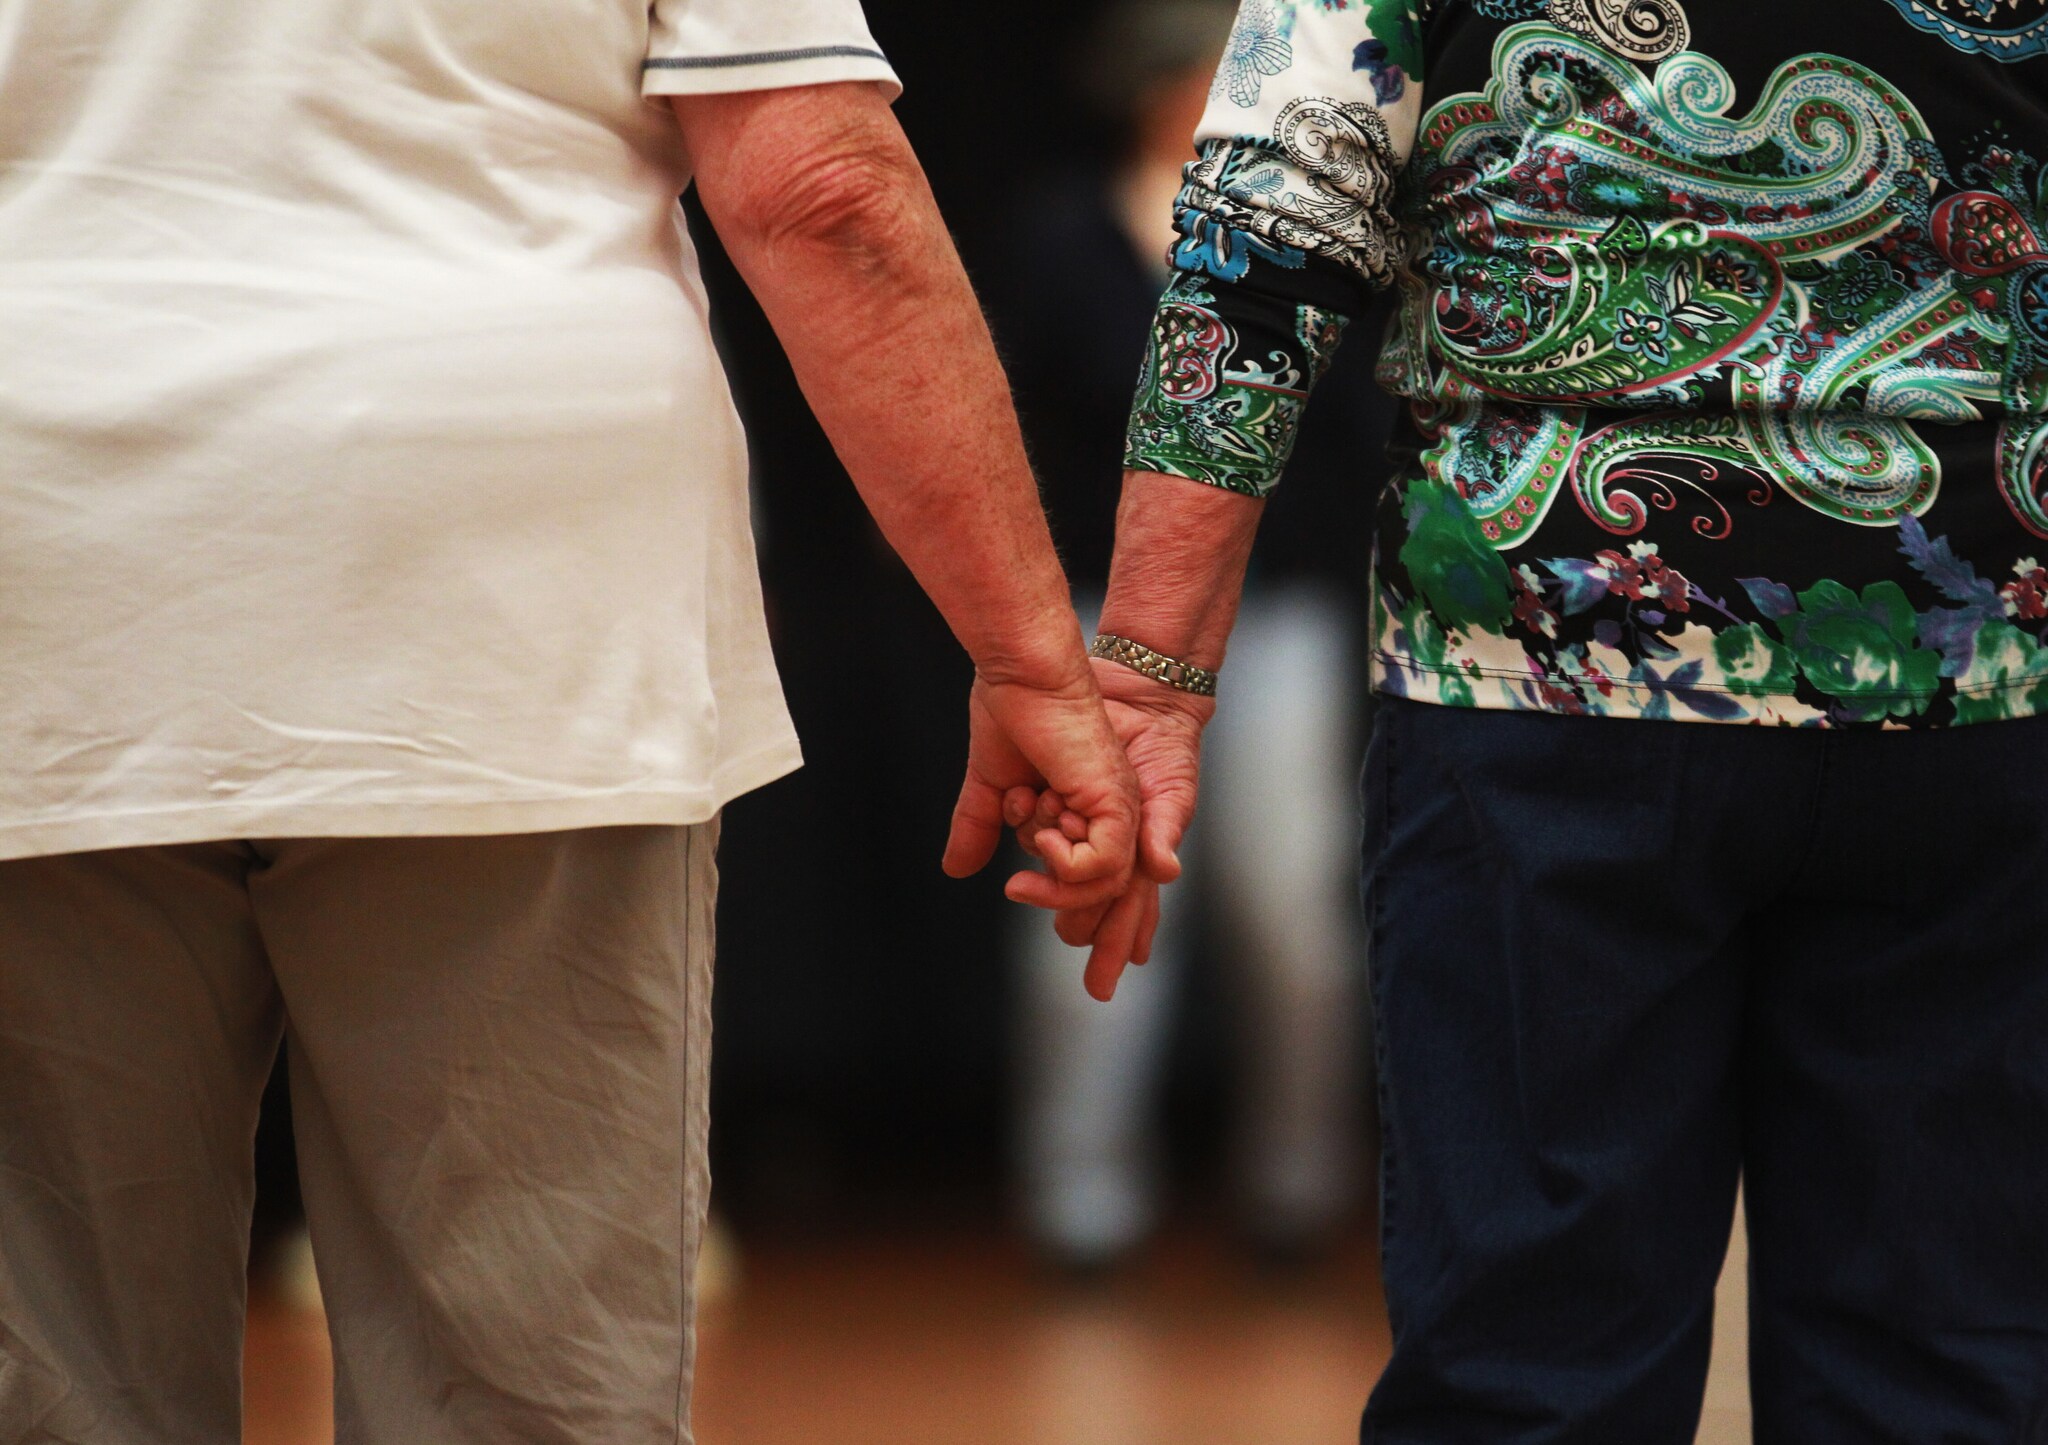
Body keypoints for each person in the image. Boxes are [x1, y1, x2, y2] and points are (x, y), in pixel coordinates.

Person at [0, 2, 1140, 1441]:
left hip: (44, 562)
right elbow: (822, 190)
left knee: (57, 1378)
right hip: (509, 595)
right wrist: (1032, 656)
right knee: (522, 1388)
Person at [1028, 1, 2048, 1439]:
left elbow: (1267, 231)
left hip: (1542, 673)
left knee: (1532, 1368)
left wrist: (1146, 679)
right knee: (1943, 1362)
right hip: (1979, 666)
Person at [992, 0, 1376, 1271]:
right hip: (1099, 622)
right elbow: (1011, 436)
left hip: (1283, 613)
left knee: (1291, 901)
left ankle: (1294, 1185)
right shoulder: (1063, 236)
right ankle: (1078, 1201)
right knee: (1089, 894)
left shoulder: (1315, 238)